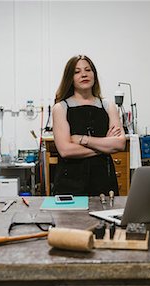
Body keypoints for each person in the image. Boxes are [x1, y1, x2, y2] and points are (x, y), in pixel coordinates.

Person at [52, 55, 126, 196]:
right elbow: (66, 150)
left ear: (94, 74)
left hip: (104, 181)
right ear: (70, 77)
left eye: (88, 70)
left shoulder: (108, 106)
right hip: (70, 184)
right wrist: (105, 147)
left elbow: (120, 144)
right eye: (77, 71)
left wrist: (83, 140)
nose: (84, 74)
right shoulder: (61, 108)